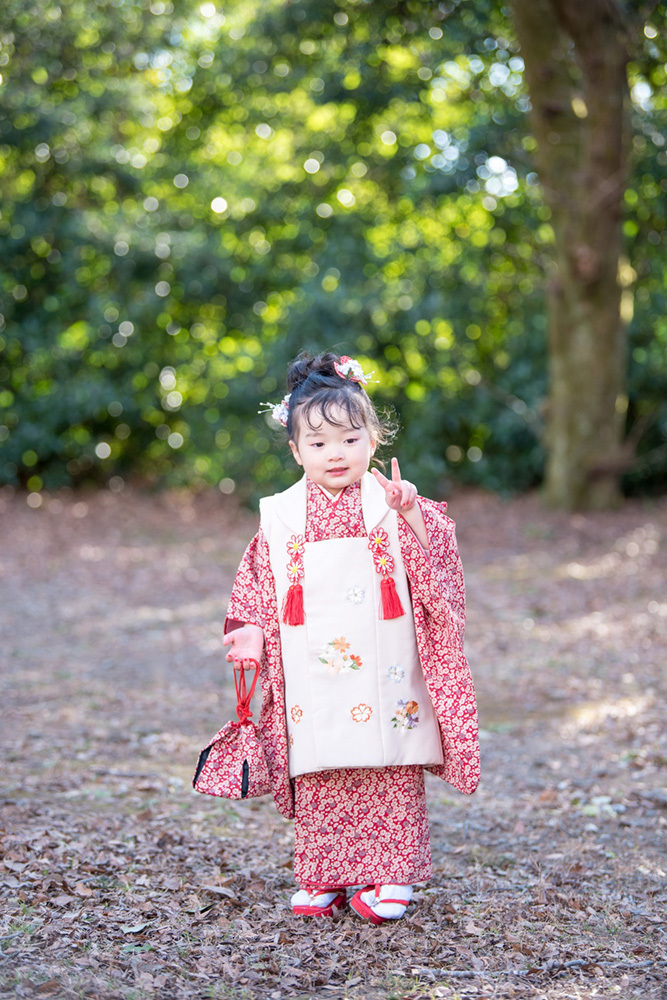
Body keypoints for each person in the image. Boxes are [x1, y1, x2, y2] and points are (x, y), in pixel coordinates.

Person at [221, 350, 480, 924]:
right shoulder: (282, 514)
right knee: (321, 761)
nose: (334, 454)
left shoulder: (392, 503)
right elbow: (258, 582)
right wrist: (250, 636)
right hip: (312, 661)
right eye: (317, 443)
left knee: (387, 761)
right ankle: (324, 872)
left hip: (384, 661)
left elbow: (438, 578)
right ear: (294, 450)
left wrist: (411, 516)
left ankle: (392, 874)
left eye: (348, 438)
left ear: (372, 438)